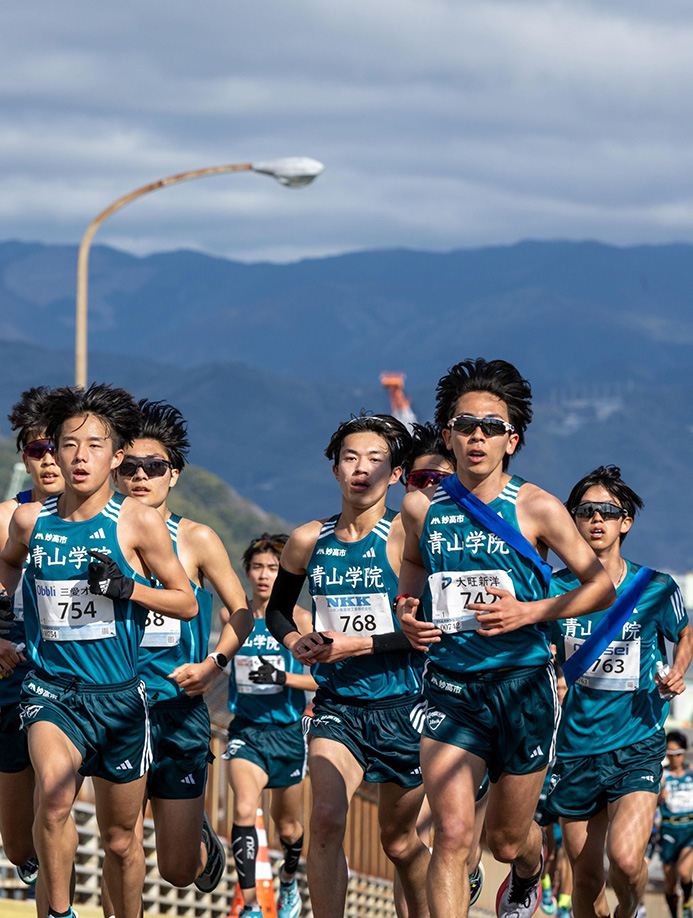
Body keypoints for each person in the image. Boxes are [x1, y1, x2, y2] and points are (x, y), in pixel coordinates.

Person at [397, 358, 615, 918]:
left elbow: (599, 588)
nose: (476, 436)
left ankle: (526, 870)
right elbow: (415, 570)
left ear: (511, 440)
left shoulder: (537, 507)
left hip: (523, 687)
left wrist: (528, 613)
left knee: (505, 842)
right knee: (450, 834)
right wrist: (406, 612)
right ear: (446, 434)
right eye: (465, 424)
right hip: (451, 686)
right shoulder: (421, 505)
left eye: (491, 427)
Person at [0, 383, 197, 918]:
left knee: (119, 840)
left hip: (119, 700)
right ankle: (60, 912)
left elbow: (185, 603)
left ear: (116, 456)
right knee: (55, 797)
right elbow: (8, 566)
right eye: (68, 444)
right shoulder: (29, 521)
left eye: (94, 446)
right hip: (51, 691)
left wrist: (127, 588)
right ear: (54, 451)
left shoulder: (136, 521)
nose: (80, 457)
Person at [266, 413, 430, 918]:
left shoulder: (405, 536)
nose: (361, 469)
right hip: (338, 707)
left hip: (405, 706)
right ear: (334, 469)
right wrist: (297, 639)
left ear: (396, 473)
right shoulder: (307, 540)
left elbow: (426, 632)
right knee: (327, 818)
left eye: (375, 460)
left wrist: (354, 646)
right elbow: (276, 608)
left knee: (399, 844)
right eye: (350, 458)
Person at [99, 399, 253, 917]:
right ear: (115, 469)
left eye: (155, 467)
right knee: (119, 844)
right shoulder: (100, 536)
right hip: (117, 707)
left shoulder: (196, 538)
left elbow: (242, 613)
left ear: (174, 475)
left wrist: (215, 665)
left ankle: (202, 843)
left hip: (178, 707)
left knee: (177, 870)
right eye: (130, 467)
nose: (141, 476)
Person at [545, 465, 692, 918]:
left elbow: (685, 634)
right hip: (575, 751)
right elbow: (539, 653)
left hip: (637, 744)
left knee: (627, 864)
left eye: (607, 512)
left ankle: (629, 911)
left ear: (625, 522)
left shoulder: (654, 587)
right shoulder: (553, 588)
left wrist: (677, 671)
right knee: (586, 879)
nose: (595, 519)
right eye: (585, 511)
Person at [396, 421, 487, 918]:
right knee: (419, 834)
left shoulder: (484, 530)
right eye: (418, 481)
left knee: (478, 840)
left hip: (485, 698)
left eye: (439, 481)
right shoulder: (400, 536)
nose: (429, 490)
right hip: (416, 701)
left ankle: (488, 867)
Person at [223, 533, 316, 918]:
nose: (264, 575)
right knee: (244, 809)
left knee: (289, 827)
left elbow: (323, 679)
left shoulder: (303, 619)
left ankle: (290, 880)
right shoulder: (237, 617)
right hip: (246, 730)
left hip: (289, 734)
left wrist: (283, 678)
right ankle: (250, 905)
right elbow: (215, 662)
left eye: (273, 568)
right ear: (246, 572)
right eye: (258, 567)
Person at [0, 387, 65, 893]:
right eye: (34, 451)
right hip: (11, 670)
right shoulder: (6, 518)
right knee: (18, 846)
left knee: (56, 800)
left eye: (55, 448)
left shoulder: (113, 520)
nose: (46, 460)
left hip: (76, 674)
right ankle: (37, 861)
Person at [660, 731, 693, 918]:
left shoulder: (691, 773)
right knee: (670, 883)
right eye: (669, 754)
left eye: (678, 754)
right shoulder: (663, 776)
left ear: (685, 752)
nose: (674, 758)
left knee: (684, 871)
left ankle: (687, 902)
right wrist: (659, 798)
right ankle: (675, 914)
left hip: (689, 831)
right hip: (668, 832)